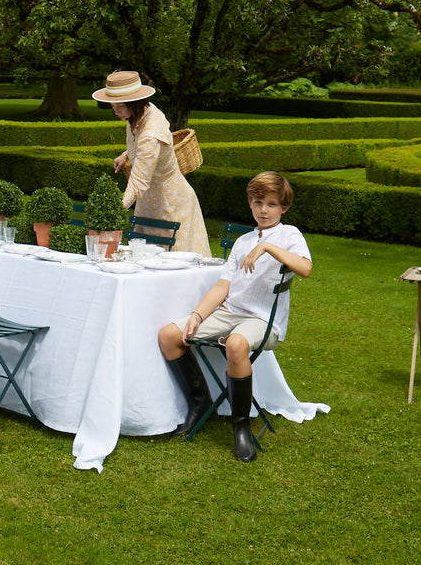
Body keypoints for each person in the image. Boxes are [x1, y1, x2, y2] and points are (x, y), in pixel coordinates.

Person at [158, 171, 312, 462]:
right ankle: (200, 403)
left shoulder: (290, 235)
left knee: (237, 344)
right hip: (230, 312)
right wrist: (198, 315)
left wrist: (267, 246)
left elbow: (305, 268)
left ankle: (241, 427)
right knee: (169, 336)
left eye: (271, 204)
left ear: (284, 207)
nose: (263, 210)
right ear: (250, 204)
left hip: (264, 320)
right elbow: (223, 286)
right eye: (257, 203)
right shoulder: (242, 242)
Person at [91, 70, 210, 256]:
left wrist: (114, 210)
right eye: (112, 107)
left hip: (170, 205)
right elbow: (146, 148)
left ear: (135, 103)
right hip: (149, 203)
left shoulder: (151, 132)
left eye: (120, 107)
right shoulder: (137, 114)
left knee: (172, 264)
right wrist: (126, 155)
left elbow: (139, 181)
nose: (116, 112)